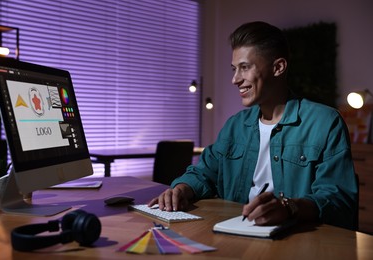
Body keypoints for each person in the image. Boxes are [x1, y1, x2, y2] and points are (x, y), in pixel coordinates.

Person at [148, 21, 358, 230]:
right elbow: (204, 173)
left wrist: (288, 208)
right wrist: (181, 189)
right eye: (234, 69)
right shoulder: (234, 125)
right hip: (232, 233)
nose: (235, 79)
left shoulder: (325, 122)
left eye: (245, 68)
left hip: (299, 239)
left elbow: (338, 199)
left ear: (278, 67)